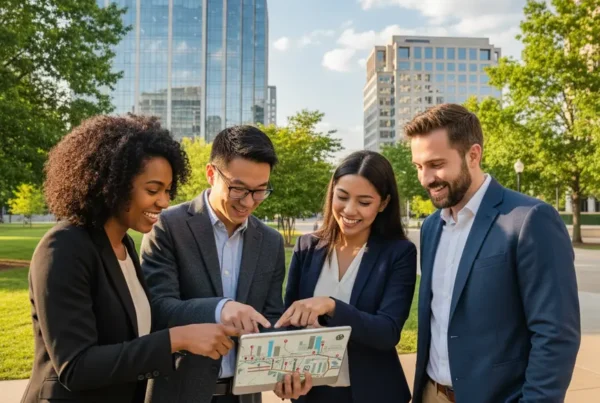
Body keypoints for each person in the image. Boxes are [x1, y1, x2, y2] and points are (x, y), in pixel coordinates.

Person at [22, 115, 241, 403]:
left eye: (167, 191)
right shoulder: (64, 247)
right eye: (152, 190)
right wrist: (177, 338)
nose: (163, 202)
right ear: (111, 183)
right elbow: (75, 367)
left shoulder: (124, 245)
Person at [408, 104, 581, 403]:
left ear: (473, 155)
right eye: (419, 166)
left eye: (436, 164)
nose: (426, 179)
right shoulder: (431, 227)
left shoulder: (530, 219)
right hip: (430, 394)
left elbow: (556, 335)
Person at [140, 125, 312, 403]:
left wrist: (288, 365)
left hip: (244, 395)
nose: (248, 202)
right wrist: (220, 309)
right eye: (238, 189)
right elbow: (158, 309)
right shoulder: (167, 226)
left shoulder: (270, 241)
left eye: (260, 191)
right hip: (179, 393)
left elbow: (269, 317)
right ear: (211, 174)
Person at [275, 150, 417, 403]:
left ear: (383, 203)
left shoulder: (399, 253)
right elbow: (289, 323)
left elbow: (387, 332)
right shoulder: (307, 247)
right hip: (312, 393)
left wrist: (331, 306)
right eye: (342, 197)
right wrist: (284, 377)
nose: (349, 210)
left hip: (373, 393)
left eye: (364, 202)